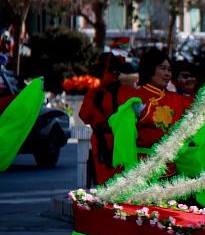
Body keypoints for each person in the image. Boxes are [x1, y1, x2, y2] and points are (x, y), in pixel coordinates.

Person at [78, 53, 139, 186]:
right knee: (113, 183)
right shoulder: (97, 92)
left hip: (116, 142)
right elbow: (85, 115)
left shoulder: (124, 91)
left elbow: (85, 116)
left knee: (116, 184)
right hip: (109, 143)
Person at [134, 49, 193, 155]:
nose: (168, 74)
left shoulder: (177, 99)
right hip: (142, 164)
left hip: (173, 165)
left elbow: (203, 105)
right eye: (163, 68)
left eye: (169, 70)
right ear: (149, 69)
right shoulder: (135, 97)